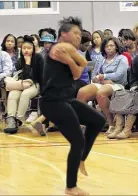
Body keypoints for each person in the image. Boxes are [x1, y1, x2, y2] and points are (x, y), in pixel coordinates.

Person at [40, 16, 106, 196]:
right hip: (53, 102)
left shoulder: (67, 52)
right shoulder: (63, 47)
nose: (79, 37)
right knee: (77, 140)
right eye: (75, 33)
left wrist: (71, 62)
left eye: (80, 33)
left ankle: (81, 159)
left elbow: (77, 74)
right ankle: (71, 186)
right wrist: (76, 62)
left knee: (98, 120)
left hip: (65, 100)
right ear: (63, 34)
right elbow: (82, 64)